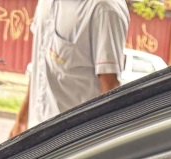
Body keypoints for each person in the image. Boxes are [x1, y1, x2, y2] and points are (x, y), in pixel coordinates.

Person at [10, 0, 131, 138]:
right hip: (36, 134)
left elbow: (109, 88)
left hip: (72, 142)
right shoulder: (46, 2)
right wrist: (21, 121)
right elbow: (40, 63)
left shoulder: (105, 9)